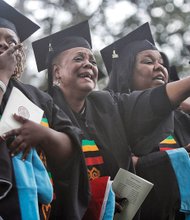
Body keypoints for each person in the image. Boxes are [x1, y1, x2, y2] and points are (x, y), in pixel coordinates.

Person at [32, 20, 190, 220]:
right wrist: (89, 198)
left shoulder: (106, 104)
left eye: (92, 60)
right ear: (57, 72)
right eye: (78, 58)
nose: (88, 63)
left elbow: (148, 101)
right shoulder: (40, 110)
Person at [0, 1, 88, 220]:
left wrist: (45, 135)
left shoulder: (37, 97)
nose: (4, 45)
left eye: (11, 41)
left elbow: (71, 150)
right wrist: (1, 77)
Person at [101, 22, 190, 220]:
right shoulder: (112, 114)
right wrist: (183, 155)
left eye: (161, 62)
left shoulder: (181, 120)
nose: (159, 67)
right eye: (148, 61)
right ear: (126, 71)